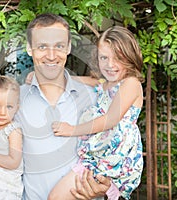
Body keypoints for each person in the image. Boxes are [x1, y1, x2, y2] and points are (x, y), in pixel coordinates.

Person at [15, 13, 114, 200]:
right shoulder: (12, 102)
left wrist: (106, 186)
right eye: (42, 46)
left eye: (59, 46)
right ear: (29, 48)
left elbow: (115, 150)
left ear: (68, 47)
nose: (51, 56)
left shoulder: (95, 98)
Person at [48, 26, 144, 200]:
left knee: (56, 197)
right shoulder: (104, 83)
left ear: (130, 58)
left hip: (112, 161)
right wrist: (48, 79)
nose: (110, 64)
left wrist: (71, 129)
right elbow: (80, 81)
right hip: (97, 157)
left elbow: (110, 119)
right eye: (104, 57)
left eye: (118, 58)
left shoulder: (131, 83)